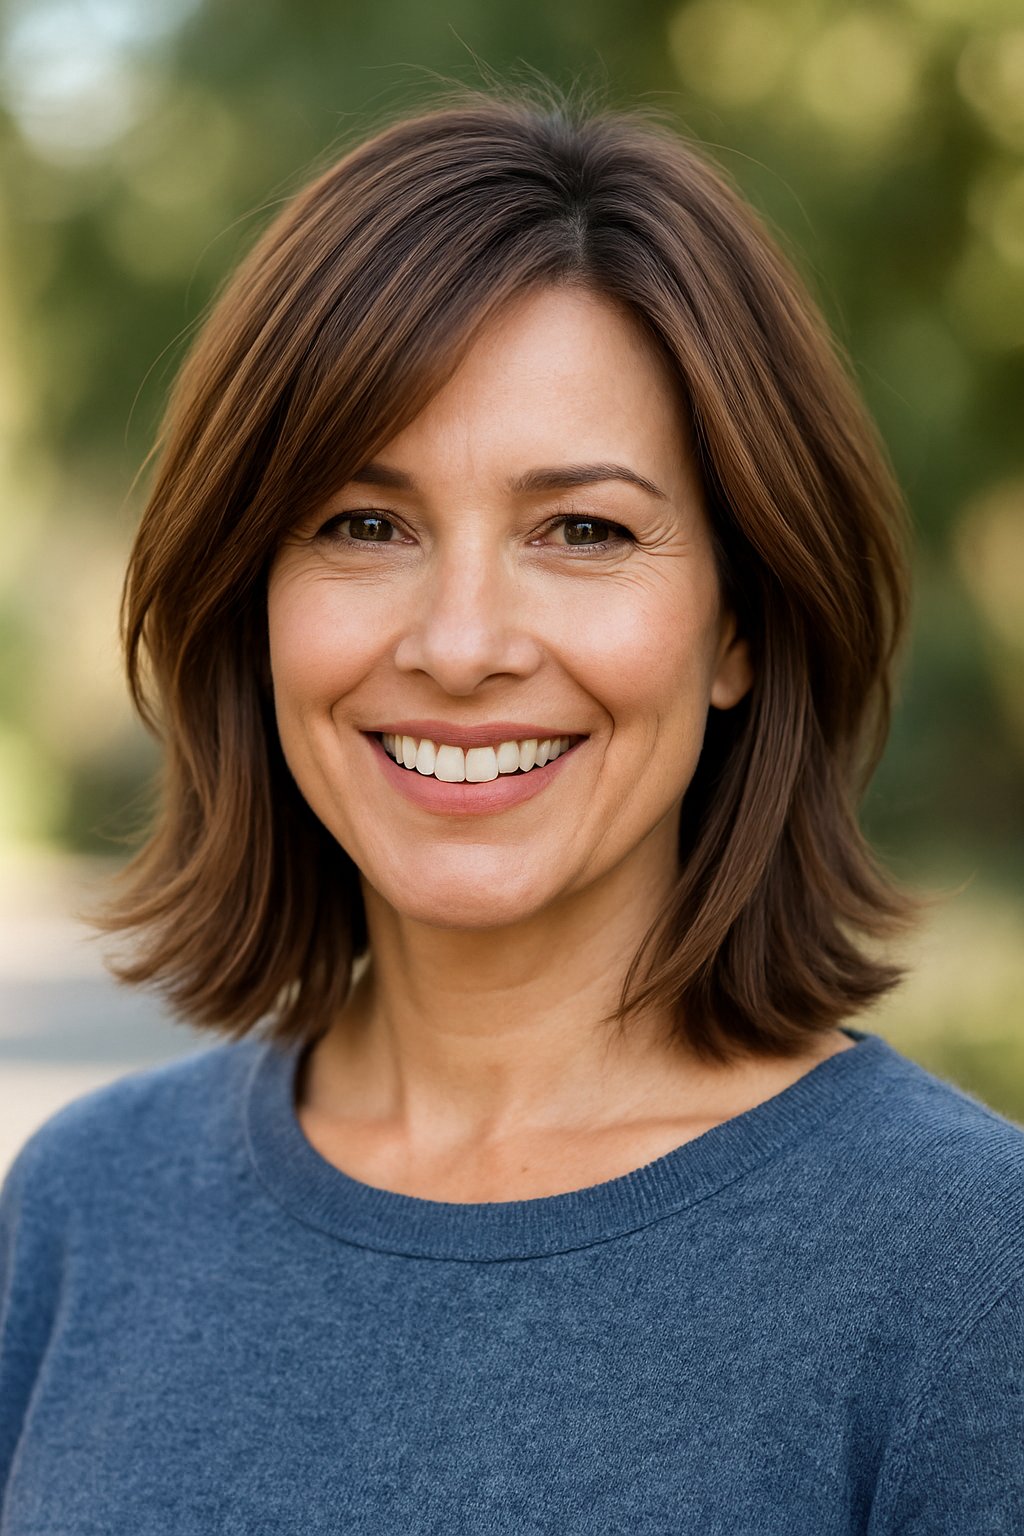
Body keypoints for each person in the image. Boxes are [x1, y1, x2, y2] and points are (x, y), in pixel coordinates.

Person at [1, 84, 1021, 1534]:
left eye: (583, 531)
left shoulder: (968, 1271)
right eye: (366, 525)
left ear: (740, 623)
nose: (462, 642)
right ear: (255, 600)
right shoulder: (84, 1213)